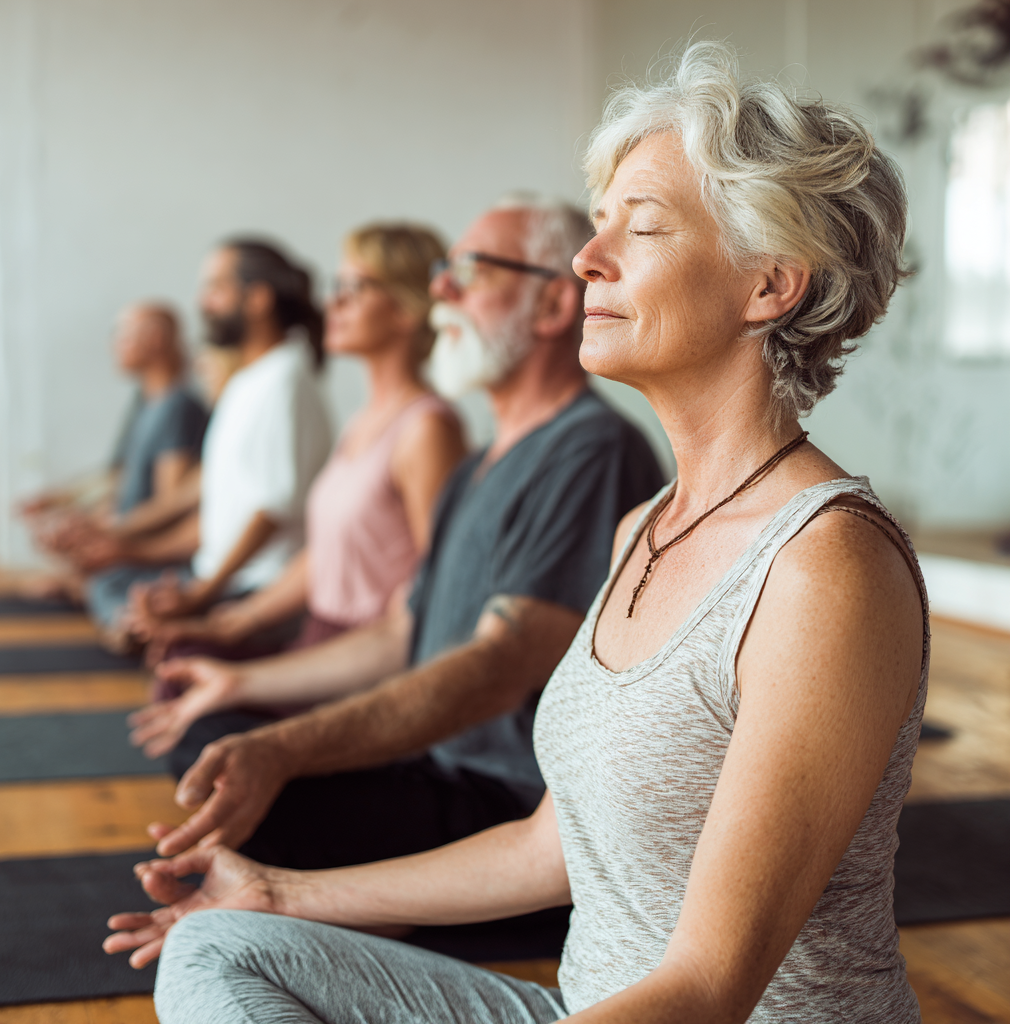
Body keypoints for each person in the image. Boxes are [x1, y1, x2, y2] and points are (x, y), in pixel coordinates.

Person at [107, 42, 928, 1024]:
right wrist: (279, 892)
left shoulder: (826, 566)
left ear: (768, 285)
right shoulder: (644, 528)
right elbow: (555, 843)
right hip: (584, 1006)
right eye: (598, 224)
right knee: (216, 945)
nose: (588, 257)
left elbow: (709, 989)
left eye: (644, 226)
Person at [119, 194, 664, 873]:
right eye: (441, 272)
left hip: (501, 797)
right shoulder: (474, 467)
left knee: (240, 775)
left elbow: (500, 667)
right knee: (214, 738)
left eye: (469, 272)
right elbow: (400, 631)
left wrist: (288, 747)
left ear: (554, 307)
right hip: (433, 760)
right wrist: (239, 680)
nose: (441, 289)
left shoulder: (592, 450)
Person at [127, 222, 465, 695]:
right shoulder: (362, 422)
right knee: (178, 667)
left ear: (407, 310)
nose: (333, 303)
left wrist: (208, 598)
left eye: (354, 288)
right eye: (335, 287)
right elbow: (324, 553)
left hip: (364, 654)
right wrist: (230, 621)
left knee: (187, 695)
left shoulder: (428, 429)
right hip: (319, 631)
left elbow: (440, 584)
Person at [124, 239, 332, 631]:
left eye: (216, 288)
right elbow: (223, 512)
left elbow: (271, 510)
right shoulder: (250, 380)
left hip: (256, 593)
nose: (203, 303)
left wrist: (203, 594)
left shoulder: (284, 380)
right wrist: (128, 547)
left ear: (258, 299)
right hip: (222, 582)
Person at [21, 303, 207, 622]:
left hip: (153, 556)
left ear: (154, 340)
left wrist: (107, 534)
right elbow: (120, 477)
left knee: (115, 599)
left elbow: (171, 506)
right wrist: (67, 506)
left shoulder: (178, 407)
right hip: (126, 539)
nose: (113, 346)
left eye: (121, 337)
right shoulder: (144, 401)